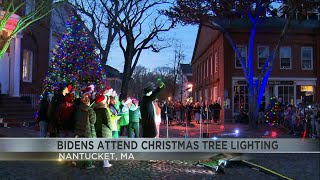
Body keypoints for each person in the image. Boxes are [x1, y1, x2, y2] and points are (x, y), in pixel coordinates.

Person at [74, 95, 96, 169]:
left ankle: (82, 162)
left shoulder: (78, 109)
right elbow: (93, 121)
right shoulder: (90, 110)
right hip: (87, 131)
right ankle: (88, 164)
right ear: (88, 102)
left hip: (79, 130)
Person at [94, 94, 112, 168]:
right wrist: (110, 128)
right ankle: (105, 163)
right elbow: (107, 121)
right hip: (104, 130)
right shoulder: (104, 109)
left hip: (97, 129)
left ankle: (102, 160)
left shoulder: (95, 109)